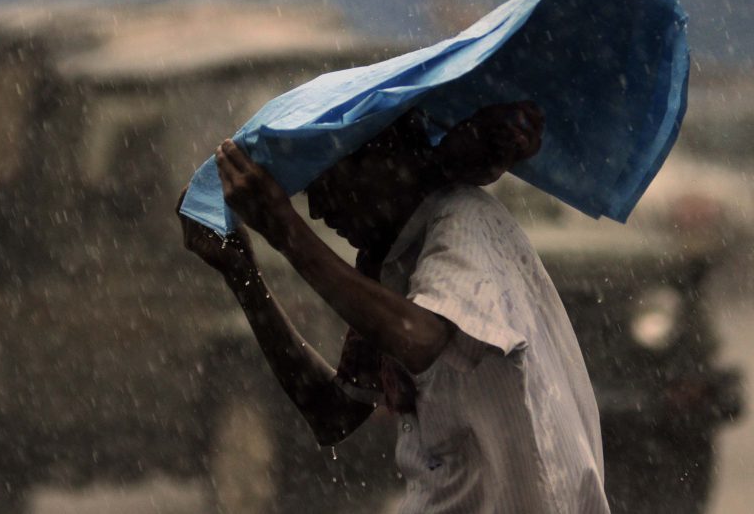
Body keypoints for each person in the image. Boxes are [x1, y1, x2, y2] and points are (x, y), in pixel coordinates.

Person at [177, 101, 610, 513]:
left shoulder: (465, 221)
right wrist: (243, 274)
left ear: (390, 160)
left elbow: (420, 338)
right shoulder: (391, 262)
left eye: (328, 179)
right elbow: (333, 414)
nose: (319, 209)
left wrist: (287, 231)